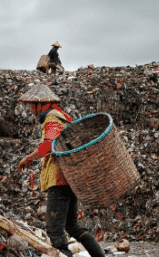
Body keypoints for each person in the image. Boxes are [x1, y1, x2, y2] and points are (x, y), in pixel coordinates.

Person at [17, 84, 104, 257]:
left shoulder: (51, 117)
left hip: (59, 179)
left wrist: (29, 158)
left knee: (54, 229)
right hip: (68, 177)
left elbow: (49, 145)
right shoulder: (62, 116)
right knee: (72, 226)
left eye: (32, 105)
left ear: (42, 104)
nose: (31, 110)